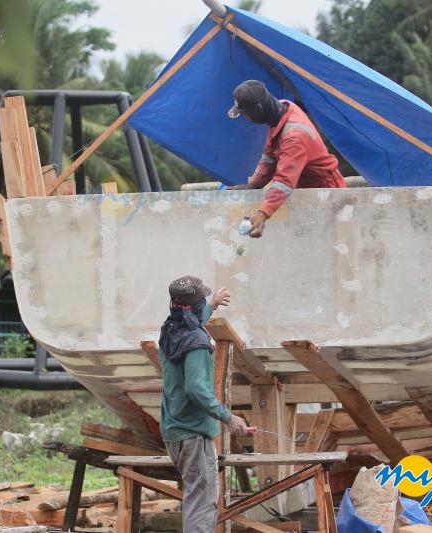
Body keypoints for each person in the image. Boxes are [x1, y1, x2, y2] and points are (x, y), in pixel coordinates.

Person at [158, 275, 249, 532]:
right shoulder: (197, 344)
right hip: (193, 435)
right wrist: (228, 417)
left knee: (194, 496)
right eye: (204, 301)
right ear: (194, 307)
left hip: (173, 431)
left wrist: (213, 305)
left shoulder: (170, 330)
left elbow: (192, 323)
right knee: (203, 502)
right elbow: (196, 389)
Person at [227, 79, 346, 237]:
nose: (247, 118)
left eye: (246, 113)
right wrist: (253, 185)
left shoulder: (294, 135)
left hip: (328, 195)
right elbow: (269, 158)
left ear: (258, 110)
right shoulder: (281, 110)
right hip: (306, 191)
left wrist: (263, 213)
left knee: (329, 249)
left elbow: (284, 182)